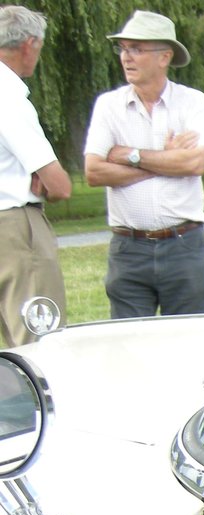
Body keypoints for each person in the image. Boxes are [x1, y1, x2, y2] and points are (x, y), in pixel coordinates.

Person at [83, 10, 204, 317]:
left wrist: (130, 155)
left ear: (164, 57)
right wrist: (165, 159)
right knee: (127, 347)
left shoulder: (193, 102)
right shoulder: (108, 105)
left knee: (186, 342)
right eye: (123, 48)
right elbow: (93, 171)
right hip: (129, 249)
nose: (126, 57)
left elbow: (195, 163)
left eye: (137, 49)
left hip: (184, 245)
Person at [0, 6, 70, 347]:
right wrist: (50, 181)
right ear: (30, 44)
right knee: (39, 343)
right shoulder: (8, 96)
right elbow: (58, 184)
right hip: (15, 228)